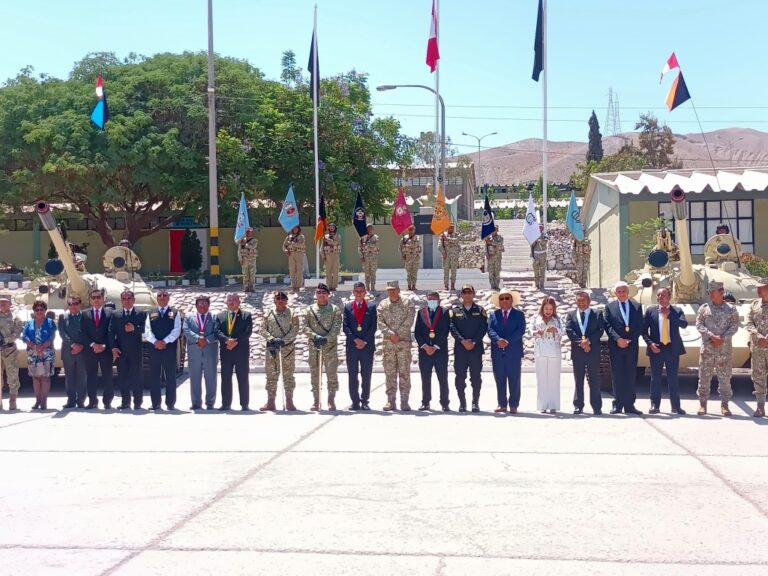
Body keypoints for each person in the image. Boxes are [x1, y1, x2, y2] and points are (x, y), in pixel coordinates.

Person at [696, 281, 739, 416]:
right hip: (707, 349)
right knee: (703, 377)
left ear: (721, 292)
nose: (710, 294)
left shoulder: (731, 309)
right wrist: (711, 336)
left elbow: (734, 326)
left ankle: (724, 405)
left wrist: (722, 338)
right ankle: (703, 405)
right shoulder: (704, 308)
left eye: (712, 292)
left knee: (725, 378)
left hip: (724, 350)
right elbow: (699, 325)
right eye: (709, 292)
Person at [642, 287, 688, 415]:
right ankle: (654, 405)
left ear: (669, 297)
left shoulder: (677, 310)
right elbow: (644, 331)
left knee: (673, 379)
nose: (660, 297)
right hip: (656, 348)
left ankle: (676, 406)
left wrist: (670, 315)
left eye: (663, 295)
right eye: (658, 295)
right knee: (655, 379)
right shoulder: (651, 311)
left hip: (672, 349)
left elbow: (683, 324)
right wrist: (650, 344)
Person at [603, 281, 643, 415]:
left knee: (631, 375)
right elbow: (608, 325)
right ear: (616, 293)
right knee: (617, 375)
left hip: (631, 346)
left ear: (628, 292)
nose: (621, 294)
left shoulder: (637, 306)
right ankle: (618, 404)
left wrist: (630, 339)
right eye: (619, 292)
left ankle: (630, 405)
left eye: (623, 291)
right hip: (616, 346)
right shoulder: (610, 307)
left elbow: (640, 325)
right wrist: (618, 339)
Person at [378, 280, 416, 411]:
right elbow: (380, 323)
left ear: (399, 290)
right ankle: (391, 401)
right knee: (390, 373)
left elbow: (409, 320)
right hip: (388, 345)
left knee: (404, 373)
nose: (391, 292)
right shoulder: (383, 304)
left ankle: (404, 401)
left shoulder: (407, 303)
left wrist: (398, 334)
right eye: (389, 290)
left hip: (403, 344)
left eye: (394, 289)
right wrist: (390, 334)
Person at [565, 291, 604, 415]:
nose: (581, 303)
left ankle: (597, 407)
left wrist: (589, 341)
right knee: (578, 380)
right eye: (579, 301)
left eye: (583, 300)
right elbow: (569, 330)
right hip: (578, 352)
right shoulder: (571, 314)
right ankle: (578, 405)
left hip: (593, 351)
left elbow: (600, 330)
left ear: (589, 301)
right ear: (576, 302)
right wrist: (581, 343)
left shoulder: (597, 314)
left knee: (594, 380)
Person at [449, 285, 487, 412]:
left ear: (473, 294)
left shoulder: (480, 310)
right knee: (460, 377)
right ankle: (462, 403)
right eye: (464, 292)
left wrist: (474, 341)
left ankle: (475, 402)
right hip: (460, 349)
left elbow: (483, 328)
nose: (467, 294)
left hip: (475, 349)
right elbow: (452, 328)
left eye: (469, 292)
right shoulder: (455, 311)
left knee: (476, 377)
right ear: (461, 295)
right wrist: (462, 341)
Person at [305, 283, 342, 411]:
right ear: (316, 294)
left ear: (328, 295)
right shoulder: (309, 310)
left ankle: (331, 400)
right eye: (319, 292)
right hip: (314, 347)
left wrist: (326, 338)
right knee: (315, 375)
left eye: (323, 292)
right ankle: (316, 401)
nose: (321, 294)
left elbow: (337, 327)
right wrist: (315, 337)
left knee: (332, 374)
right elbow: (305, 327)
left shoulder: (335, 309)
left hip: (330, 347)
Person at [487, 288, 525, 414]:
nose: (504, 301)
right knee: (500, 378)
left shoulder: (519, 315)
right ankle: (502, 404)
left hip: (513, 352)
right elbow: (490, 329)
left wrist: (507, 340)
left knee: (514, 379)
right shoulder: (493, 314)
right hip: (498, 352)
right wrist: (498, 340)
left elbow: (520, 330)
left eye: (507, 298)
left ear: (511, 300)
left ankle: (513, 404)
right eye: (501, 298)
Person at [260, 290, 299, 412]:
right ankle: (270, 401)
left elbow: (295, 330)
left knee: (288, 376)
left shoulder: (293, 314)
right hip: (272, 349)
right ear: (274, 300)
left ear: (287, 301)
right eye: (278, 298)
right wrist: (272, 339)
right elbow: (262, 329)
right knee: (271, 376)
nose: (280, 301)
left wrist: (284, 340)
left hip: (287, 349)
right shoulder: (268, 314)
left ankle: (289, 401)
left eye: (283, 299)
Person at [144, 289, 182, 410]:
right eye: (159, 296)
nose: (162, 298)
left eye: (164, 295)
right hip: (154, 348)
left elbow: (177, 330)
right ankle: (155, 403)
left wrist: (165, 341)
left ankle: (170, 403)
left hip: (169, 348)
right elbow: (147, 329)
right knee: (154, 376)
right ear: (156, 298)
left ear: (168, 298)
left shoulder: (174, 313)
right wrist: (155, 341)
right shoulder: (151, 312)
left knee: (170, 376)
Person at [343, 282, 377, 411]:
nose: (358, 293)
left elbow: (373, 326)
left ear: (365, 292)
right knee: (353, 375)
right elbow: (345, 327)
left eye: (361, 291)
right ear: (353, 292)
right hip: (352, 347)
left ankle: (365, 401)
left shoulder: (371, 307)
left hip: (367, 347)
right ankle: (355, 402)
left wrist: (364, 341)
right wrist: (356, 340)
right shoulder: (347, 307)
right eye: (356, 291)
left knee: (366, 375)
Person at [414, 291, 451, 411]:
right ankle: (425, 402)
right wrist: (425, 346)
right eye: (429, 299)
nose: (432, 302)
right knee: (425, 378)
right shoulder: (421, 313)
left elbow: (445, 331)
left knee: (442, 378)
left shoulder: (444, 312)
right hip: (425, 352)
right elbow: (417, 332)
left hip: (439, 351)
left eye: (434, 299)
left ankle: (445, 403)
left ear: (439, 300)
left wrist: (434, 346)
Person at [112, 290, 148, 410]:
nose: (127, 301)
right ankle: (125, 402)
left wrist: (135, 328)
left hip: (136, 350)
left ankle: (138, 402)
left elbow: (146, 329)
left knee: (137, 377)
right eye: (124, 299)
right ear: (121, 301)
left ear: (133, 300)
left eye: (129, 298)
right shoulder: (116, 314)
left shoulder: (141, 314)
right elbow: (111, 332)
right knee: (122, 378)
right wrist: (113, 347)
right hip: (121, 350)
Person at [216, 293, 253, 411]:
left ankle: (244, 404)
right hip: (226, 351)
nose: (231, 302)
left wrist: (235, 341)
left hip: (241, 351)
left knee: (242, 377)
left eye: (234, 300)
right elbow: (217, 331)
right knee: (225, 378)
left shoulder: (246, 315)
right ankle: (226, 404)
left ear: (239, 302)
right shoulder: (220, 316)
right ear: (226, 302)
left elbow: (248, 331)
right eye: (229, 300)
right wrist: (227, 340)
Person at [182, 295, 219, 411]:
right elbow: (186, 330)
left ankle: (210, 403)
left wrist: (207, 340)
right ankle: (196, 403)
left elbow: (217, 331)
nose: (202, 305)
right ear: (196, 305)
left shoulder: (214, 317)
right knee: (194, 377)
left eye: (205, 303)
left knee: (211, 377)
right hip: (195, 351)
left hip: (210, 350)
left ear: (209, 305)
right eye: (200, 303)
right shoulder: (189, 317)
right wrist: (198, 339)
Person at [82, 289, 114, 410]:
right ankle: (92, 401)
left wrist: (104, 345)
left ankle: (107, 401)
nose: (96, 300)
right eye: (94, 297)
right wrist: (93, 344)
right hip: (90, 351)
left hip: (106, 350)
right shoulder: (84, 314)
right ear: (90, 300)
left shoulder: (110, 313)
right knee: (91, 376)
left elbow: (111, 331)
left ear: (103, 299)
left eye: (98, 297)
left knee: (108, 376)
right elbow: (83, 332)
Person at [21, 300, 56, 410]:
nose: (39, 311)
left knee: (45, 378)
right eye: (37, 310)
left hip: (47, 352)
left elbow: (51, 336)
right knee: (36, 378)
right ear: (34, 311)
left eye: (42, 309)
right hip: (33, 353)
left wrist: (42, 347)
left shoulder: (50, 322)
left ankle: (44, 402)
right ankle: (37, 401)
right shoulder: (29, 323)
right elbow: (24, 336)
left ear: (45, 311)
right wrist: (34, 346)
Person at [530, 297, 562, 414]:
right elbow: (530, 329)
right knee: (541, 377)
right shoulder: (536, 318)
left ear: (554, 309)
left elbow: (563, 331)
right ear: (542, 308)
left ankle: (553, 405)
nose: (548, 311)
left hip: (554, 350)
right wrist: (535, 332)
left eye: (550, 309)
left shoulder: (557, 319)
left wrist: (556, 330)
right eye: (546, 308)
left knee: (554, 378)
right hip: (540, 350)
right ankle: (542, 405)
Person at [58, 296, 88, 409]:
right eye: (70, 304)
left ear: (80, 305)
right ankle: (71, 400)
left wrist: (81, 346)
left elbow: (88, 332)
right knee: (69, 377)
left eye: (75, 304)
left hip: (83, 350)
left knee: (82, 376)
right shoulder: (63, 317)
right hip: (68, 350)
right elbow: (62, 333)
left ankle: (81, 400)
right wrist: (73, 345)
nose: (73, 306)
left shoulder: (85, 317)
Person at [746, 277, 768, 418]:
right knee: (758, 377)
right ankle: (760, 407)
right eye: (757, 287)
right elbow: (748, 322)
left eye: (761, 287)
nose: (758, 290)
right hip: (758, 347)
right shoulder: (754, 304)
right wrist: (758, 335)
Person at [0, 293, 23, 411]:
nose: (2, 304)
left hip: (9, 350)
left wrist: (5, 340)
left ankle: (12, 401)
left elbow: (17, 332)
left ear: (10, 304)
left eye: (5, 302)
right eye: (0, 302)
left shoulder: (15, 318)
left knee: (12, 377)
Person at [283, 225, 306, 292]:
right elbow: (284, 246)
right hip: (291, 254)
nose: (295, 229)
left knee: (299, 270)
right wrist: (286, 250)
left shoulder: (301, 237)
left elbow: (300, 244)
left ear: (298, 229)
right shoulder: (288, 237)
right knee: (292, 270)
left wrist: (292, 243)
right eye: (293, 228)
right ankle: (293, 286)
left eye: (296, 228)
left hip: (299, 254)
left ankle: (298, 286)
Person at [359, 224, 380, 294]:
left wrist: (367, 245)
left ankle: (373, 287)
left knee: (373, 273)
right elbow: (359, 248)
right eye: (368, 228)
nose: (370, 230)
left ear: (373, 229)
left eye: (371, 228)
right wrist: (361, 256)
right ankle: (367, 287)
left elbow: (376, 246)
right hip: (365, 257)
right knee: (367, 273)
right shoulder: (362, 237)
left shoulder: (376, 237)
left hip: (373, 257)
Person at [439, 223, 461, 291]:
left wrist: (447, 239)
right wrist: (443, 253)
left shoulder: (456, 235)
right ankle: (446, 286)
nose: (452, 228)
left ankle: (452, 285)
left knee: (453, 271)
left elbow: (456, 240)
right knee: (446, 272)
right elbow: (439, 246)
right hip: (446, 256)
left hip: (454, 257)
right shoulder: (442, 236)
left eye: (453, 227)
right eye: (450, 227)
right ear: (447, 228)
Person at [399, 225, 421, 291]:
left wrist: (406, 245)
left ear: (414, 230)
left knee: (414, 272)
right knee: (408, 273)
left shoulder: (417, 237)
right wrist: (402, 255)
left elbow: (415, 245)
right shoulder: (404, 238)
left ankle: (413, 286)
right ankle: (409, 286)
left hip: (415, 258)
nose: (411, 231)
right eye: (409, 229)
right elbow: (400, 248)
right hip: (408, 258)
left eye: (412, 229)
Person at [321, 223, 341, 291]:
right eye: (330, 227)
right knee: (328, 271)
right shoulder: (325, 236)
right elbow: (322, 247)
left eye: (333, 227)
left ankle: (334, 286)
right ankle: (329, 286)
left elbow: (336, 243)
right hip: (328, 255)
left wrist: (329, 240)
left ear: (335, 228)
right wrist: (323, 256)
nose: (332, 228)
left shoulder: (338, 236)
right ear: (328, 228)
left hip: (335, 255)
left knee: (335, 271)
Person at [238, 227, 258, 292]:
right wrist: (240, 258)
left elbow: (253, 246)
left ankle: (252, 287)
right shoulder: (241, 241)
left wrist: (246, 245)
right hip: (244, 259)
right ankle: (246, 287)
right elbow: (239, 250)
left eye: (250, 232)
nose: (249, 233)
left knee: (252, 274)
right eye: (247, 232)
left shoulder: (254, 240)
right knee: (245, 274)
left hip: (252, 259)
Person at [485, 226, 504, 290]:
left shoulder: (500, 238)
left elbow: (500, 244)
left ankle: (497, 286)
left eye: (495, 230)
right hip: (490, 258)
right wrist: (486, 254)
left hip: (497, 257)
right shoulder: (488, 238)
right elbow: (486, 247)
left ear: (497, 230)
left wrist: (491, 243)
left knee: (497, 272)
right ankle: (492, 286)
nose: (493, 231)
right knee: (491, 273)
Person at [531, 224, 548, 290]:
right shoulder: (534, 235)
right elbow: (531, 244)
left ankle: (542, 285)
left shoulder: (545, 235)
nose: (540, 228)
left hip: (543, 255)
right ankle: (537, 285)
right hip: (536, 255)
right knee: (536, 271)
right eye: (539, 227)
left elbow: (545, 242)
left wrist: (540, 240)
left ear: (543, 228)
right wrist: (535, 240)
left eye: (541, 227)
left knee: (542, 270)